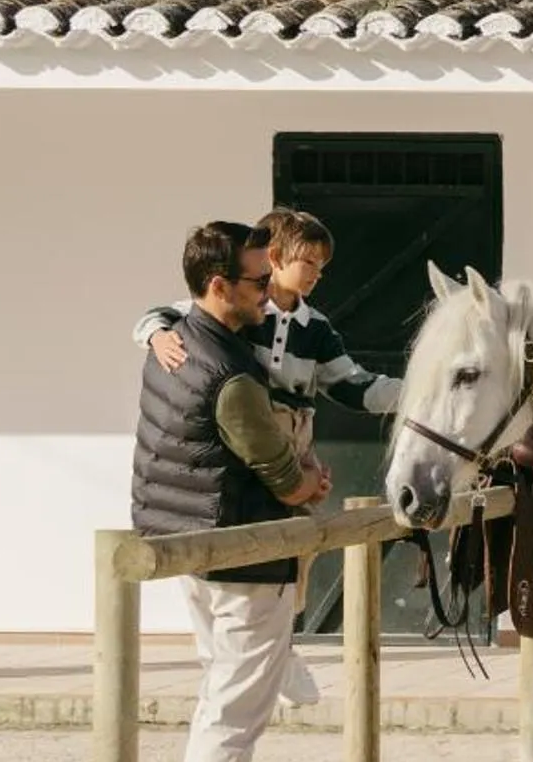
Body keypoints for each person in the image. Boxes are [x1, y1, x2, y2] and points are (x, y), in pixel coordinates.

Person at [135, 220, 332, 762]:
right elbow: (283, 479)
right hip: (246, 560)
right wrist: (309, 480)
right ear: (218, 286)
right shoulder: (232, 375)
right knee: (231, 718)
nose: (269, 286)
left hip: (196, 550)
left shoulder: (176, 344)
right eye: (258, 278)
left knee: (219, 705)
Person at [133, 208, 396, 706]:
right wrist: (154, 335)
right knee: (226, 558)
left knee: (298, 542)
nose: (317, 275)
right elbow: (166, 315)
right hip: (244, 425)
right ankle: (235, 661)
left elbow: (353, 385)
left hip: (290, 435)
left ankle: (284, 644)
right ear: (275, 259)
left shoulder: (316, 328)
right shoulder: (243, 308)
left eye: (322, 266)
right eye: (309, 262)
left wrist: (416, 392)